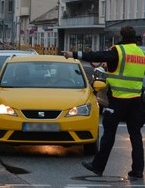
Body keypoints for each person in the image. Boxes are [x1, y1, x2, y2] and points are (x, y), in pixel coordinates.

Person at [62, 26, 145, 178]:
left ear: (121, 36)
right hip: (136, 101)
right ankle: (138, 170)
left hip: (119, 100)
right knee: (136, 135)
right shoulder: (141, 53)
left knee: (109, 134)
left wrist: (73, 54)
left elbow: (96, 55)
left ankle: (97, 166)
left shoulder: (119, 51)